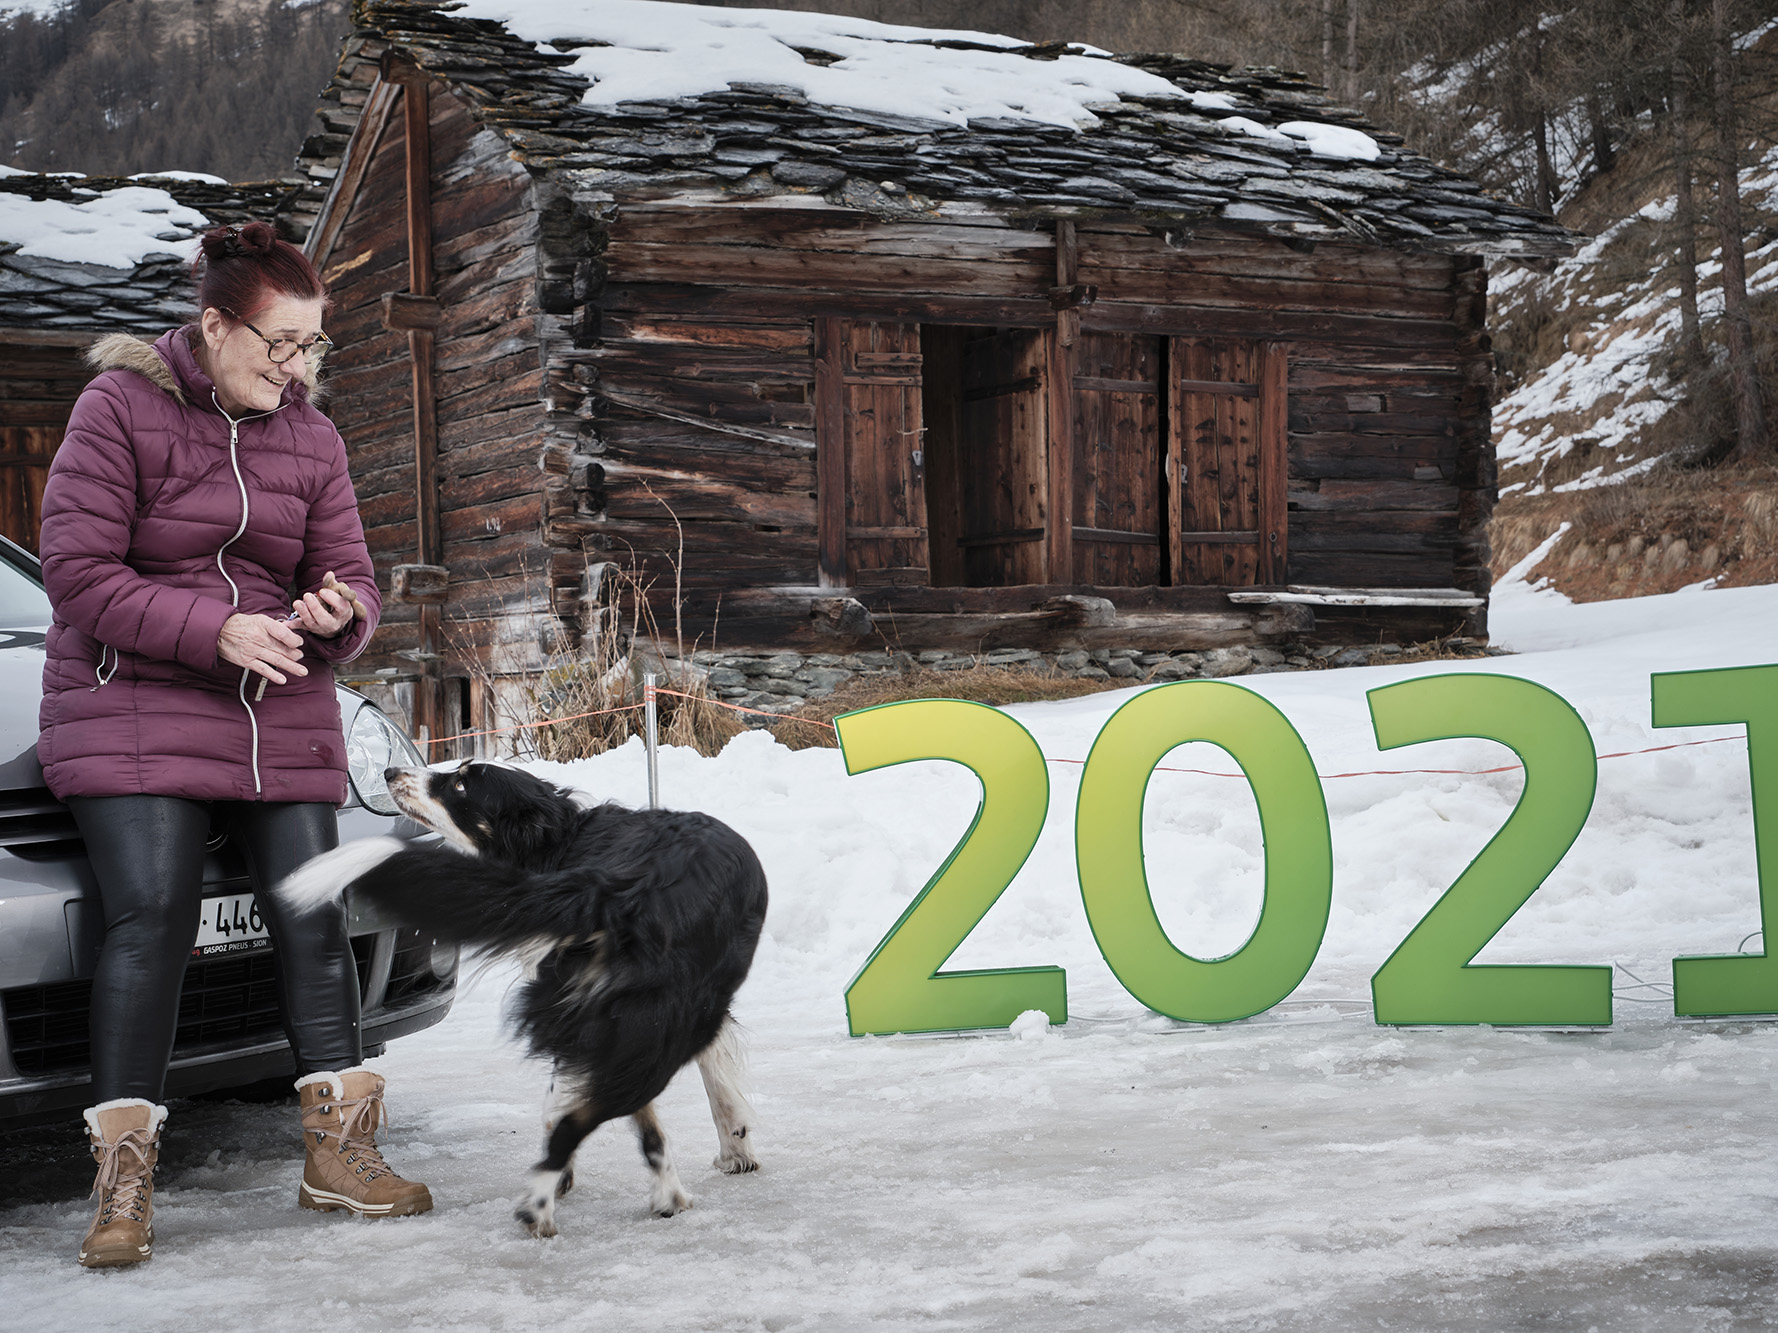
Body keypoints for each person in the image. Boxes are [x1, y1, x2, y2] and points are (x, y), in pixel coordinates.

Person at [37, 222, 430, 1269]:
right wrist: (211, 629)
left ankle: (339, 1156)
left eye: (310, 347)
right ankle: (122, 1186)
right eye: (278, 345)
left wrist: (338, 612)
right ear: (213, 325)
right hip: (136, 700)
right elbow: (75, 573)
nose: (296, 370)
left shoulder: (313, 436)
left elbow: (354, 577)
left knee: (315, 905)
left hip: (278, 702)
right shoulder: (118, 407)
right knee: (153, 911)